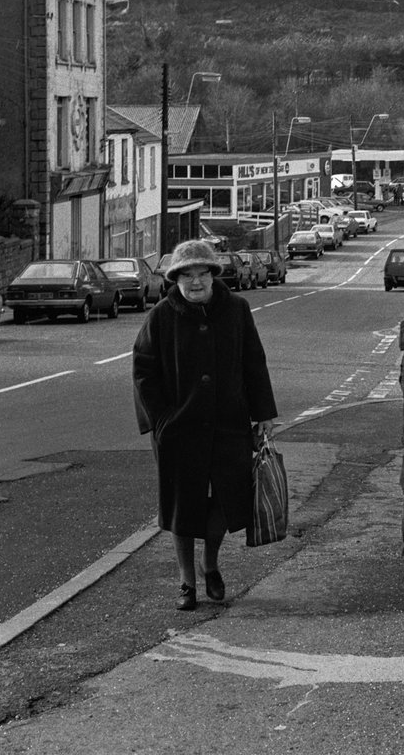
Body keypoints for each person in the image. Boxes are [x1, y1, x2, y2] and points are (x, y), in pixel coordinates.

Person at [133, 239, 278, 612]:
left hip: (229, 424)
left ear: (213, 275)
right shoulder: (161, 316)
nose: (195, 282)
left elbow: (254, 363)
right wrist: (162, 420)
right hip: (178, 430)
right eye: (187, 275)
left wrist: (263, 414)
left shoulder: (237, 310)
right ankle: (186, 582)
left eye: (202, 274)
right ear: (175, 279)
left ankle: (209, 562)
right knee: (182, 507)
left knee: (226, 503)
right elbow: (143, 372)